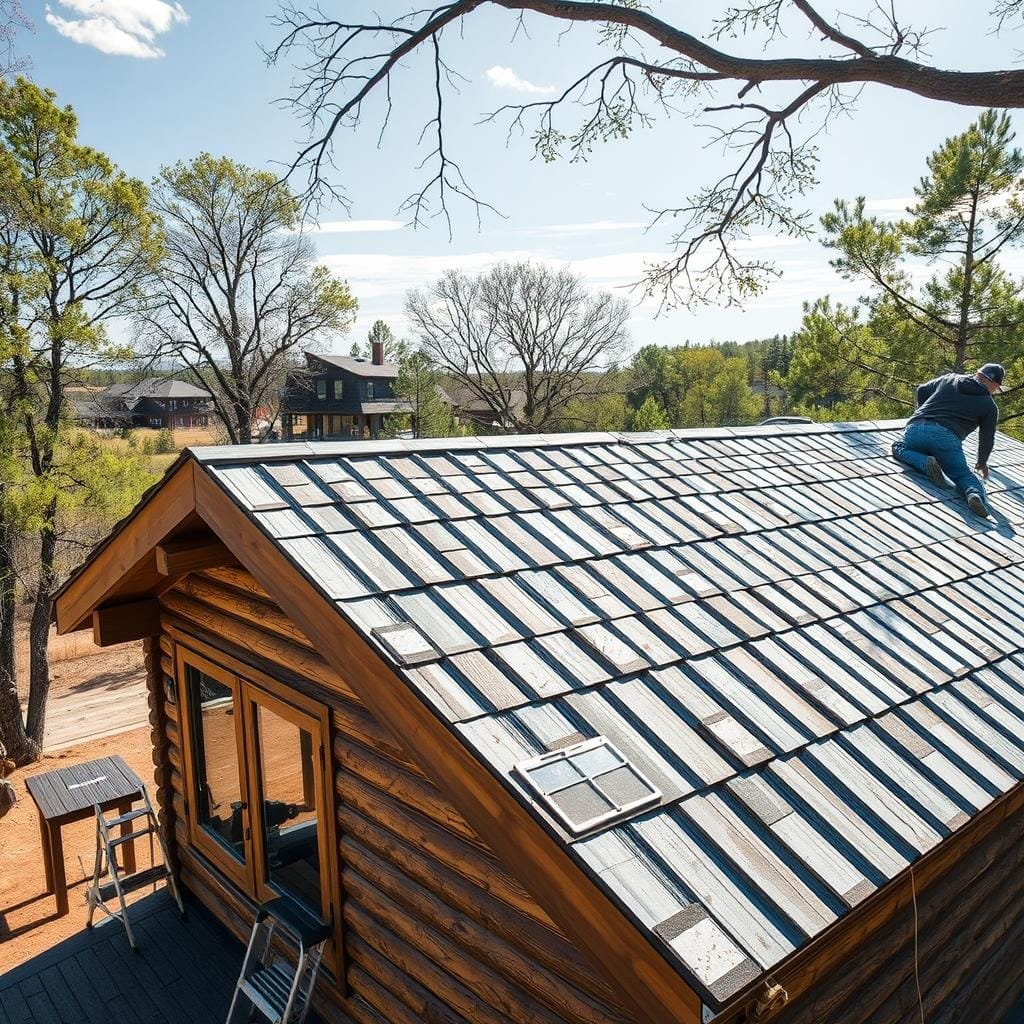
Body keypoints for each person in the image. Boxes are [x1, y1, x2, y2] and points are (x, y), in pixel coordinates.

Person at [891, 363, 1004, 516]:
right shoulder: (989, 406)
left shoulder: (950, 378)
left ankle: (924, 462)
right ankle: (973, 494)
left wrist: (921, 411)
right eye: (996, 388)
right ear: (993, 383)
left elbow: (922, 389)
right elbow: (987, 437)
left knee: (898, 446)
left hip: (915, 429)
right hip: (945, 438)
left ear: (978, 374)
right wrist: (982, 461)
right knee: (962, 474)